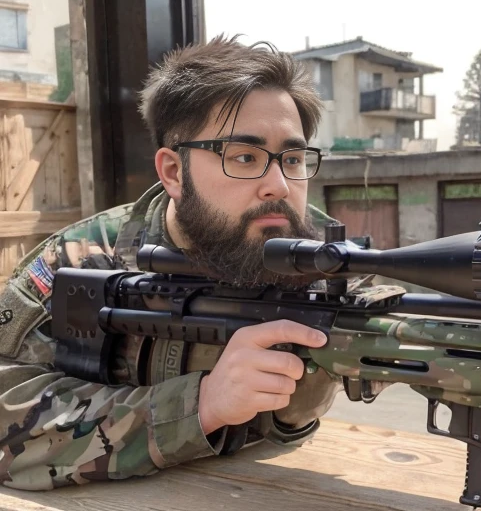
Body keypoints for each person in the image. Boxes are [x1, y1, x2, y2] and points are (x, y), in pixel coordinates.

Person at [0, 35, 346, 490]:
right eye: (245, 157)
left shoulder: (328, 261)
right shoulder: (84, 259)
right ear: (173, 172)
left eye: (294, 158)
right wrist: (199, 406)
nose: (279, 185)